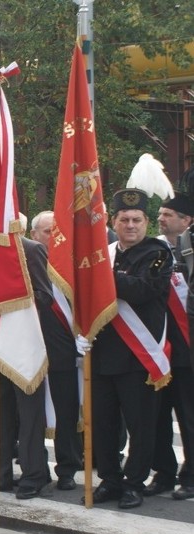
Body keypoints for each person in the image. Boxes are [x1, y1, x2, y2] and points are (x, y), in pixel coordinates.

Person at [88, 188, 172, 509]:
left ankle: (133, 483)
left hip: (138, 357)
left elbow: (143, 289)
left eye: (137, 219)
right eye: (124, 219)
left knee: (140, 425)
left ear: (147, 222)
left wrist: (99, 275)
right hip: (103, 351)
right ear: (113, 221)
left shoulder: (159, 252)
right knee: (105, 424)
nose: (131, 225)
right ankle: (110, 480)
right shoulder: (106, 253)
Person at [0, 233, 52, 499]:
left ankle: (33, 475)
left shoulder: (32, 249)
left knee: (29, 416)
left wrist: (11, 298)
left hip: (24, 345)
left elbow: (45, 296)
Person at [144, 197, 194, 500]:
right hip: (157, 346)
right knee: (157, 415)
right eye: (160, 214)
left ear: (187, 220)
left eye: (169, 214)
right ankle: (163, 471)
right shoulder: (153, 249)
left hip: (187, 348)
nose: (161, 218)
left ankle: (190, 476)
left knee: (188, 416)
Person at [30, 210, 82, 491]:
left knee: (66, 412)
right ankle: (35, 468)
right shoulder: (25, 261)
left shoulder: (73, 266)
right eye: (48, 232)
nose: (54, 238)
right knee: (31, 415)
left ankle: (67, 469)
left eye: (57, 232)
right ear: (34, 234)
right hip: (30, 350)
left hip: (63, 351)